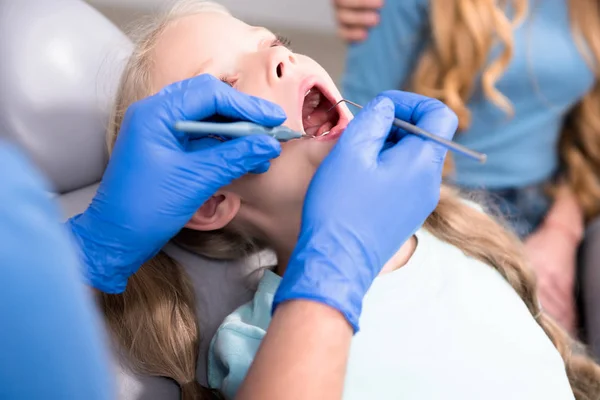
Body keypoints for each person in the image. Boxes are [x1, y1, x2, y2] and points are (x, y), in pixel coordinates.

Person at [93, 1, 599, 399]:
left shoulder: (460, 236)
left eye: (273, 42)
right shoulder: (254, 344)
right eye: (226, 85)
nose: (278, 57)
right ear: (208, 202)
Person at [334, 0, 600, 337]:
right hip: (436, 207)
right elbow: (360, 130)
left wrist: (562, 231)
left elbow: (589, 143)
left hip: (551, 209)